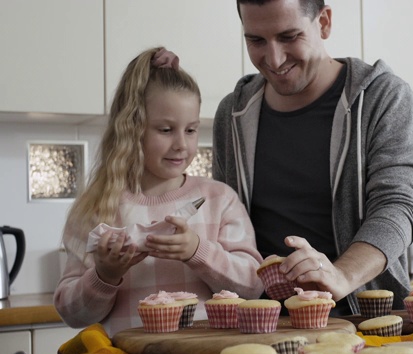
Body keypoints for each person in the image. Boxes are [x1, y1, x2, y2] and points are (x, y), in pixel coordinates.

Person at [156, 0, 413, 316]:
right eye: (256, 40)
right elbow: (222, 226)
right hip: (259, 328)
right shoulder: (232, 113)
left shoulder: (383, 98)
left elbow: (397, 207)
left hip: (364, 321)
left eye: (289, 37)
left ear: (324, 22)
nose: (273, 59)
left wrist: (341, 275)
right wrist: (155, 86)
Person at [54, 47, 264, 336]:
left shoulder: (219, 199)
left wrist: (197, 251)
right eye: (166, 130)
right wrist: (105, 275)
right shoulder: (96, 208)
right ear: (131, 128)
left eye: (190, 130)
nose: (181, 144)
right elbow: (71, 314)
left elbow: (253, 287)